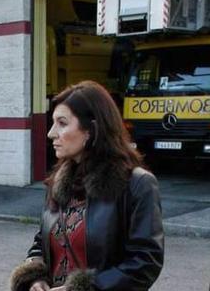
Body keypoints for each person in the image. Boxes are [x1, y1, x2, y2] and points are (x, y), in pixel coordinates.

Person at [10, 81, 164, 291]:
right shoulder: (58, 182)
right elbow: (41, 242)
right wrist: (36, 278)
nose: (51, 133)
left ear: (91, 129)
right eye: (53, 123)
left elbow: (145, 263)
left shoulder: (136, 184)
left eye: (62, 123)